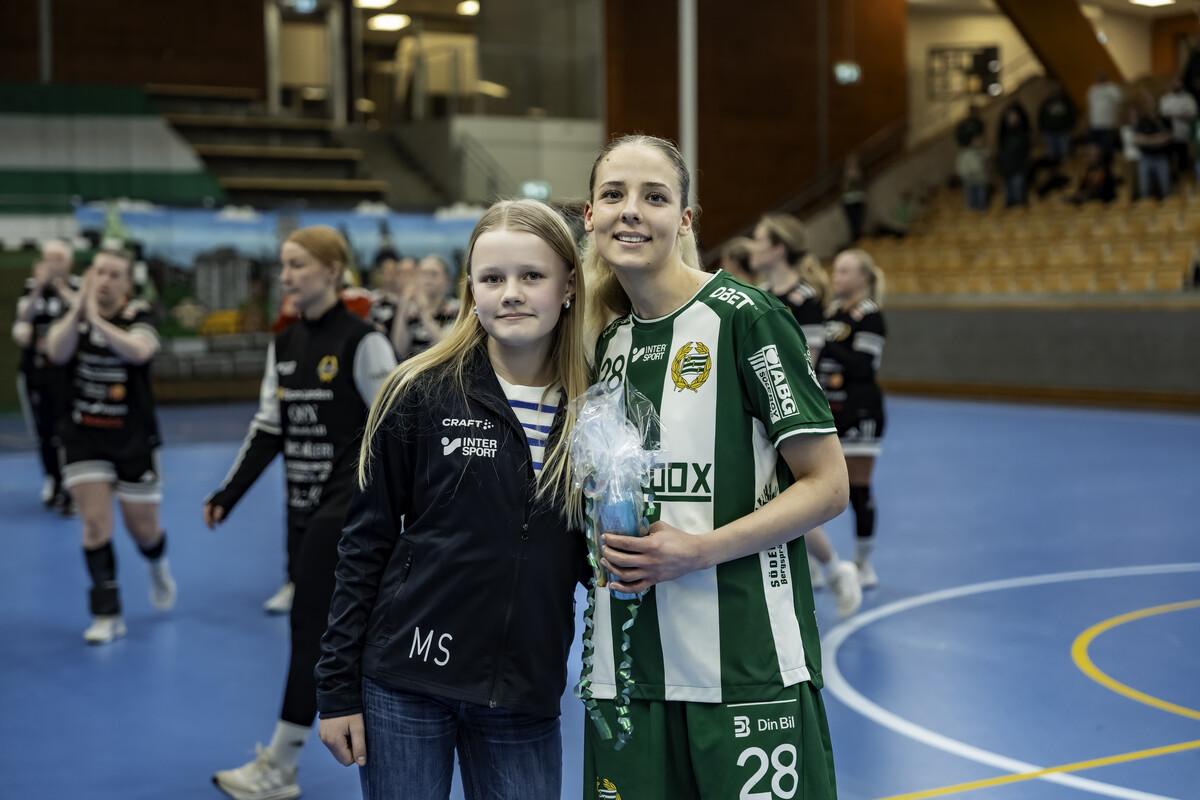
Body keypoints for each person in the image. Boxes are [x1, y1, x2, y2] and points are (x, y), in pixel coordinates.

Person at [581, 134, 850, 798]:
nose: (630, 210)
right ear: (590, 216)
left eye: (654, 196)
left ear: (685, 220)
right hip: (630, 674)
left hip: (744, 668)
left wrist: (698, 551)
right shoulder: (604, 342)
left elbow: (827, 485)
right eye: (613, 194)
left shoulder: (749, 320)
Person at [314, 199, 590, 800]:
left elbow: (592, 557)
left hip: (523, 691)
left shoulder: (596, 406)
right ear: (471, 289)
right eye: (492, 278)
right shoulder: (419, 390)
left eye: (532, 276)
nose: (511, 294)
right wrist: (336, 690)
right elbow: (364, 544)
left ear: (569, 285)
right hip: (405, 681)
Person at [205, 225, 397, 800]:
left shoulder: (364, 341)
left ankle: (281, 767)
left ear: (333, 271)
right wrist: (228, 494)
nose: (285, 276)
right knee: (332, 631)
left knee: (309, 629)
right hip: (301, 506)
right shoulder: (284, 343)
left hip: (348, 511)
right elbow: (270, 428)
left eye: (297, 265)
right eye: (283, 265)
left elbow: (395, 428)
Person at [43, 248, 175, 644]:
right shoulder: (74, 315)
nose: (105, 280)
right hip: (83, 437)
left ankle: (157, 565)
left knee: (144, 531)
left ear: (127, 283)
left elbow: (140, 351)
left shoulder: (140, 314)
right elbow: (56, 351)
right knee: (95, 524)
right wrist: (78, 312)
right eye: (99, 272)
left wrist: (98, 322)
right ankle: (107, 613)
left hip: (133, 439)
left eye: (115, 274)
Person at [749, 214, 861, 619]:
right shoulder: (757, 294)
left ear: (779, 248)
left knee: (787, 497)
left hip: (790, 414)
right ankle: (823, 566)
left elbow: (805, 363)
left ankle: (836, 568)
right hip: (758, 412)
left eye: (759, 239)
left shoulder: (806, 299)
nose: (752, 246)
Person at [814, 249, 887, 589]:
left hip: (860, 412)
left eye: (845, 271)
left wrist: (825, 344)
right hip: (827, 408)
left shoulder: (870, 316)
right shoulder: (829, 313)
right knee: (810, 487)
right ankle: (815, 561)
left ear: (863, 278)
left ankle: (862, 563)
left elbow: (863, 365)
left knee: (858, 489)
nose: (836, 276)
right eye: (836, 270)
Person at [13, 239, 79, 513]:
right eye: (47, 258)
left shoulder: (76, 288)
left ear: (68, 262)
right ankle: (53, 479)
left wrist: (61, 287)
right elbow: (22, 319)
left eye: (57, 259)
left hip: (68, 374)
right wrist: (40, 286)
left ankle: (71, 484)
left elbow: (84, 312)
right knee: (44, 431)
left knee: (70, 430)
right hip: (37, 373)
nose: (51, 264)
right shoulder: (32, 288)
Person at [1134, 96, 1173, 200]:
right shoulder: (1142, 121)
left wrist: (1148, 139)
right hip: (1146, 158)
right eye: (1151, 106)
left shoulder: (1164, 121)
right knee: (1145, 190)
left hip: (1161, 158)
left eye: (1155, 106)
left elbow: (1166, 138)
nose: (1153, 108)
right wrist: (1157, 138)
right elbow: (1139, 140)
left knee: (1166, 189)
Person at [1158, 76, 1197, 176]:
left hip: (1183, 136)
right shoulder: (1165, 99)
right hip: (1168, 137)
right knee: (1169, 162)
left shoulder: (1188, 98)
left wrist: (1175, 115)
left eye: (1178, 82)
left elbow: (1193, 115)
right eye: (1174, 82)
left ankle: (1184, 180)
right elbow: (1161, 115)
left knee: (1183, 162)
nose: (1176, 84)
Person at [997, 104, 1032, 207]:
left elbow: (1025, 154)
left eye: (1013, 116)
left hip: (1018, 171)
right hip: (1006, 171)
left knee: (1018, 200)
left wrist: (1022, 168)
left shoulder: (1022, 134)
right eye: (1009, 116)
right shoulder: (1004, 135)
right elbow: (1002, 153)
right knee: (1010, 201)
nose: (1011, 119)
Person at [1038, 80, 1076, 165]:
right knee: (1052, 157)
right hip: (1049, 133)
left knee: (1065, 156)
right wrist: (1042, 130)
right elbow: (1041, 116)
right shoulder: (1046, 102)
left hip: (1063, 132)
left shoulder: (1066, 101)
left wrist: (1071, 128)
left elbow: (1072, 114)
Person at [1087, 69, 1123, 159]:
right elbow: (1090, 107)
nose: (1100, 77)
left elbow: (1119, 105)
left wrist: (1118, 121)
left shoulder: (1112, 88)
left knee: (1107, 149)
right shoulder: (1092, 89)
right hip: (1095, 124)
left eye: (1102, 75)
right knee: (1094, 148)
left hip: (1108, 124)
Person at [957, 133, 990, 211]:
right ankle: (973, 213)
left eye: (980, 141)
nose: (978, 143)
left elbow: (987, 166)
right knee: (972, 199)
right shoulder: (966, 153)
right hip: (969, 181)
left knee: (982, 198)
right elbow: (961, 167)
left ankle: (982, 211)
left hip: (981, 180)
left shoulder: (984, 153)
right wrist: (965, 175)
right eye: (976, 141)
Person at [841, 153, 867, 244]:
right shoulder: (844, 174)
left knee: (859, 221)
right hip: (849, 201)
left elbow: (862, 185)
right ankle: (854, 239)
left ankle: (858, 239)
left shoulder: (860, 172)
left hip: (859, 199)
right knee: (852, 222)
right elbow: (844, 188)